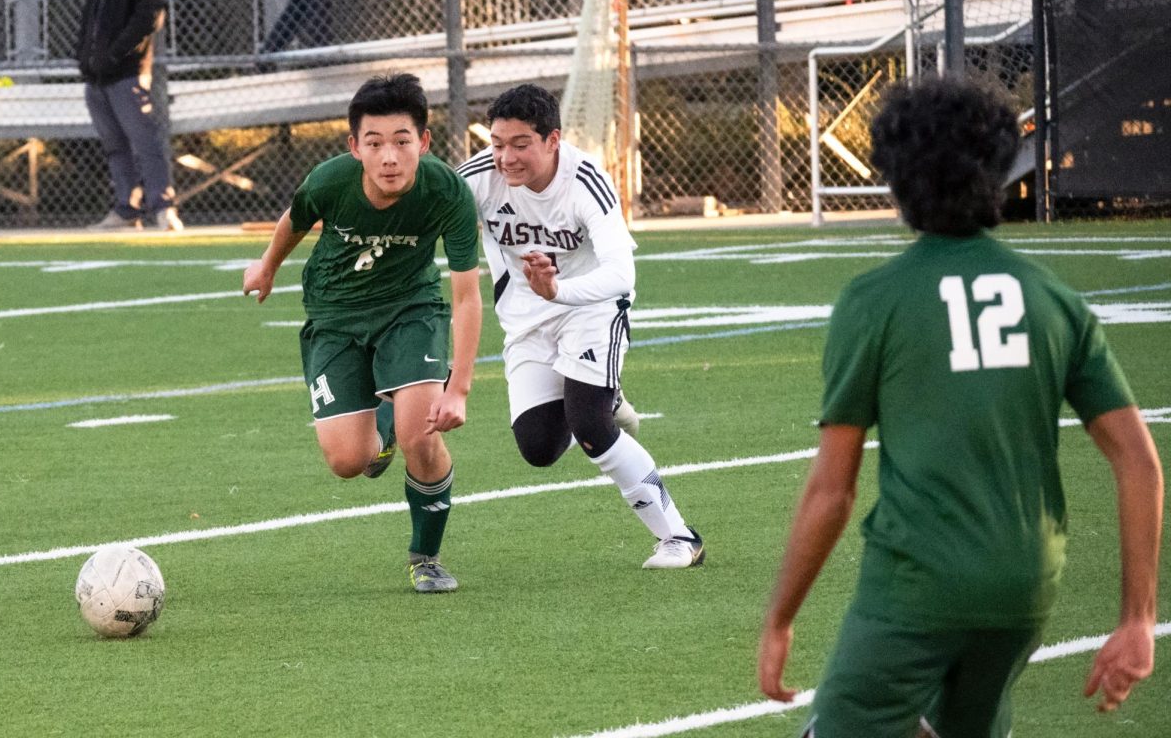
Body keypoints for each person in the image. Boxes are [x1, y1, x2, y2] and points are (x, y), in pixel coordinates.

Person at [757, 76, 1163, 736]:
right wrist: (1137, 619)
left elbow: (833, 489)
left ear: (895, 179)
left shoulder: (875, 300)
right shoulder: (1053, 299)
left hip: (915, 587)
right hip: (1023, 587)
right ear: (1000, 172)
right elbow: (1140, 464)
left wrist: (779, 618)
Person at [242, 74, 482, 593]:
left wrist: (458, 389)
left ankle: (426, 556)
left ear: (423, 141)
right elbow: (295, 218)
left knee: (424, 435)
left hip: (410, 310)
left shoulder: (448, 192)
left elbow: (465, 295)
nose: (389, 157)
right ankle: (387, 420)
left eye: (401, 141)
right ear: (355, 147)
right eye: (374, 144)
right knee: (349, 462)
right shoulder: (330, 181)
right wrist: (267, 267)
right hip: (334, 315)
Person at [457, 84, 704, 570]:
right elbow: (419, 213)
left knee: (589, 425)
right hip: (526, 318)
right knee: (538, 448)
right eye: (497, 143)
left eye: (521, 144)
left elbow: (621, 274)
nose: (506, 157)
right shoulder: (474, 180)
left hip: (591, 306)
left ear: (553, 139)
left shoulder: (586, 179)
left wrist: (559, 292)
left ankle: (679, 538)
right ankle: (603, 397)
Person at [76, 0, 181, 232]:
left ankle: (163, 207)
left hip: (127, 73)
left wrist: (113, 55)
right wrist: (84, 58)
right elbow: (89, 20)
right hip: (96, 75)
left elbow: (145, 20)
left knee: (145, 142)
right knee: (113, 145)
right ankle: (127, 207)